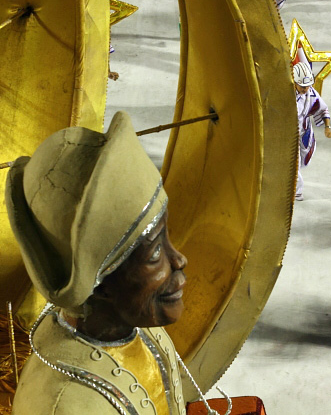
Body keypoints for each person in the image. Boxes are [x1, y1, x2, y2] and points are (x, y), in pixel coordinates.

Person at [6, 112, 209, 414]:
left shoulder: (143, 330)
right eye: (154, 254)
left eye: (167, 237)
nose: (180, 259)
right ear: (99, 285)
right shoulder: (65, 404)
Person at [293, 62, 331, 201]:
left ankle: (295, 189)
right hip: (286, 133)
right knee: (292, 162)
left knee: (298, 162)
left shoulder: (311, 94)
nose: (305, 89)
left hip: (302, 132)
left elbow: (323, 109)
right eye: (302, 87)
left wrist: (327, 127)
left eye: (308, 86)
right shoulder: (285, 94)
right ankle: (295, 189)